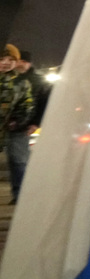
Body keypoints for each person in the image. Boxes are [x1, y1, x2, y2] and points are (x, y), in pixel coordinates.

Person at [1, 43, 34, 203]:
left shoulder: (22, 82)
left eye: (10, 59)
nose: (6, 62)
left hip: (12, 129)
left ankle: (20, 196)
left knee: (18, 162)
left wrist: (17, 120)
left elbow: (26, 104)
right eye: (2, 59)